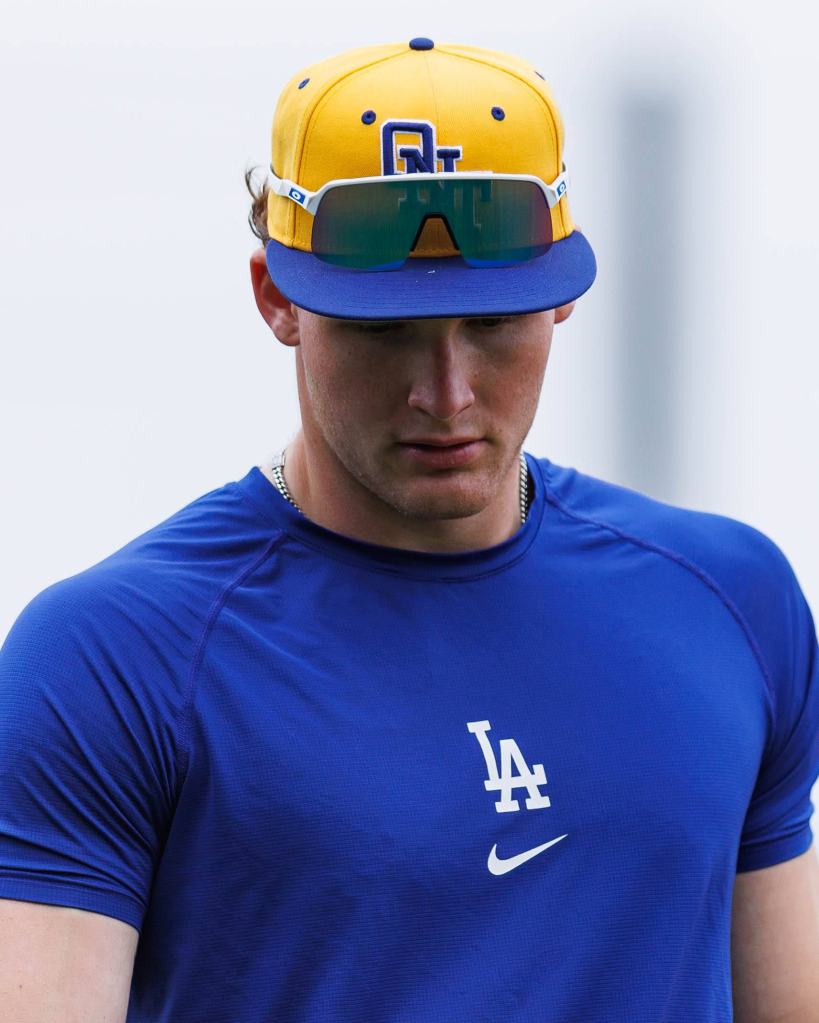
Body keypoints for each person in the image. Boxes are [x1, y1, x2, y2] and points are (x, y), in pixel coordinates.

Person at [0, 36, 817, 1023]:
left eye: (493, 323)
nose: (447, 392)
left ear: (561, 295)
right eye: (383, 331)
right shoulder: (112, 659)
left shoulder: (733, 604)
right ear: (276, 297)